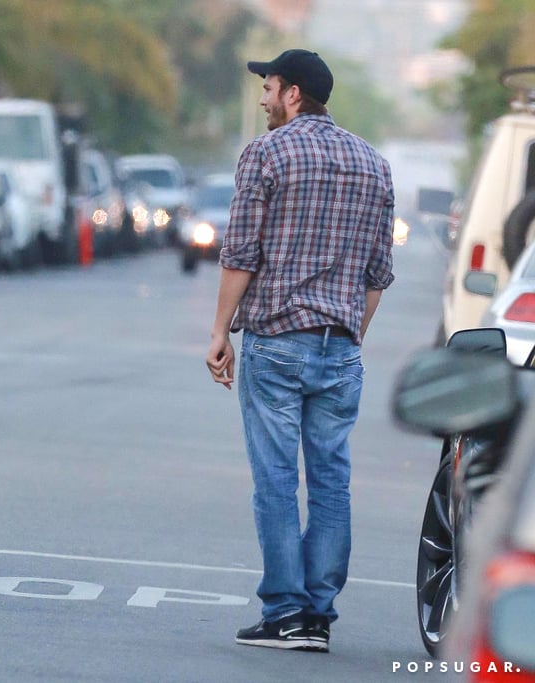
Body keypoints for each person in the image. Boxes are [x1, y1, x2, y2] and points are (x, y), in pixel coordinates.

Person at [205, 49, 395, 652]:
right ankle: (317, 615)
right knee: (333, 482)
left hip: (277, 343)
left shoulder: (267, 152)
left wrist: (218, 331)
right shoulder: (374, 164)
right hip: (340, 348)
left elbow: (241, 252)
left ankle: (285, 611)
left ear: (293, 94)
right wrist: (347, 335)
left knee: (277, 481)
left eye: (269, 87)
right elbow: (376, 275)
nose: (263, 99)